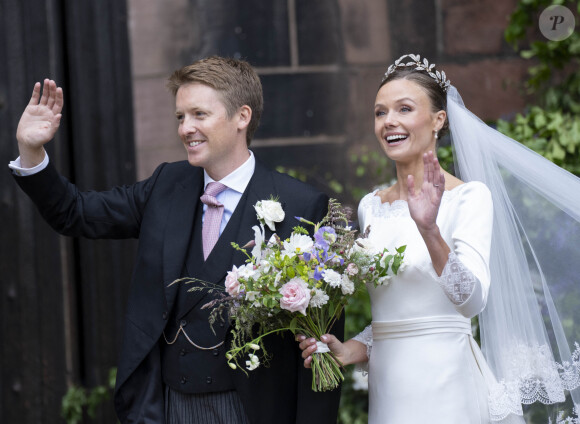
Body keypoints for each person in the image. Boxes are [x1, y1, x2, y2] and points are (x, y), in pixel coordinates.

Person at [11, 56, 342, 424]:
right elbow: (75, 212)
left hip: (252, 410)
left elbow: (320, 346)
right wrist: (32, 150)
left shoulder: (300, 205)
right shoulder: (166, 185)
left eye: (199, 114)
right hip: (167, 406)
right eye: (180, 117)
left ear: (242, 117)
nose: (186, 128)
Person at [298, 54, 580, 423]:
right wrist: (349, 349)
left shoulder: (469, 197)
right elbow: (399, 313)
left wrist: (429, 230)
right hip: (390, 390)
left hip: (449, 384)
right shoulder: (371, 206)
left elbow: (472, 300)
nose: (389, 121)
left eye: (404, 108)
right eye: (380, 112)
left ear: (438, 120)